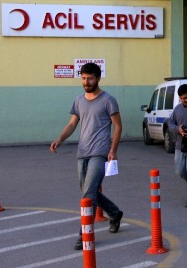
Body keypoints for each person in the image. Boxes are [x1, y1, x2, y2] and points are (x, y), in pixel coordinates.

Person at [50, 62, 123, 250]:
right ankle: (115, 213)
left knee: (88, 195)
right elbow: (72, 124)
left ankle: (84, 234)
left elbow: (117, 126)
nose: (86, 82)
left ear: (98, 78)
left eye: (90, 78)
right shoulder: (78, 100)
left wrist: (112, 150)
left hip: (100, 152)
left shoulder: (108, 100)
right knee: (88, 193)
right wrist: (60, 138)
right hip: (82, 153)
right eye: (83, 78)